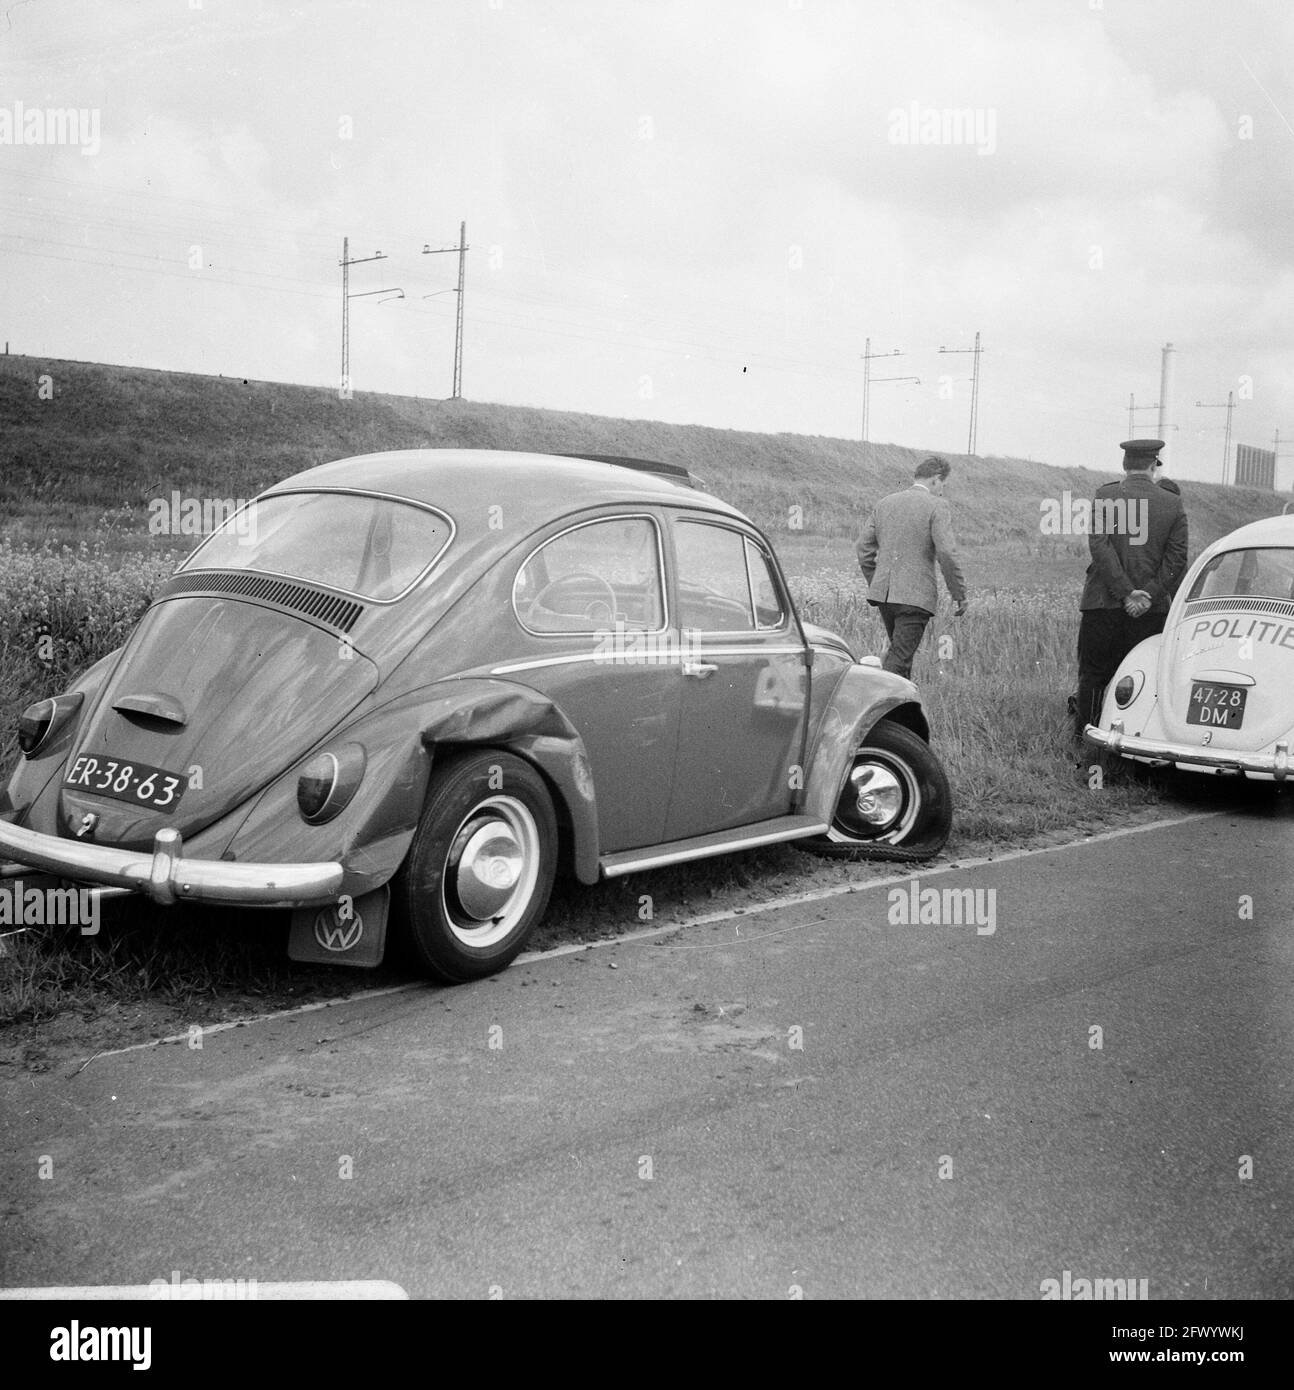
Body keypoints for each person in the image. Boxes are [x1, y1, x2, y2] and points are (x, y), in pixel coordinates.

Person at [1073, 438, 1188, 742]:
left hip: (1103, 604)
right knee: (1146, 678)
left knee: (1094, 676)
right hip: (1151, 611)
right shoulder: (1172, 503)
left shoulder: (1105, 495)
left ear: (1125, 465)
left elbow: (1099, 546)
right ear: (1154, 465)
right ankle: (1137, 743)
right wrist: (1147, 594)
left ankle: (1087, 742)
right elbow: (1176, 560)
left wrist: (1125, 592)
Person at [856, 455, 968, 679]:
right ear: (936, 479)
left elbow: (863, 549)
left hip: (885, 596)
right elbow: (946, 552)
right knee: (898, 660)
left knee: (900, 656)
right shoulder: (937, 506)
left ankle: (899, 712)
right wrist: (959, 593)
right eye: (942, 485)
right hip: (915, 598)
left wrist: (878, 582)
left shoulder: (885, 503)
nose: (942, 491)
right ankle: (876, 703)